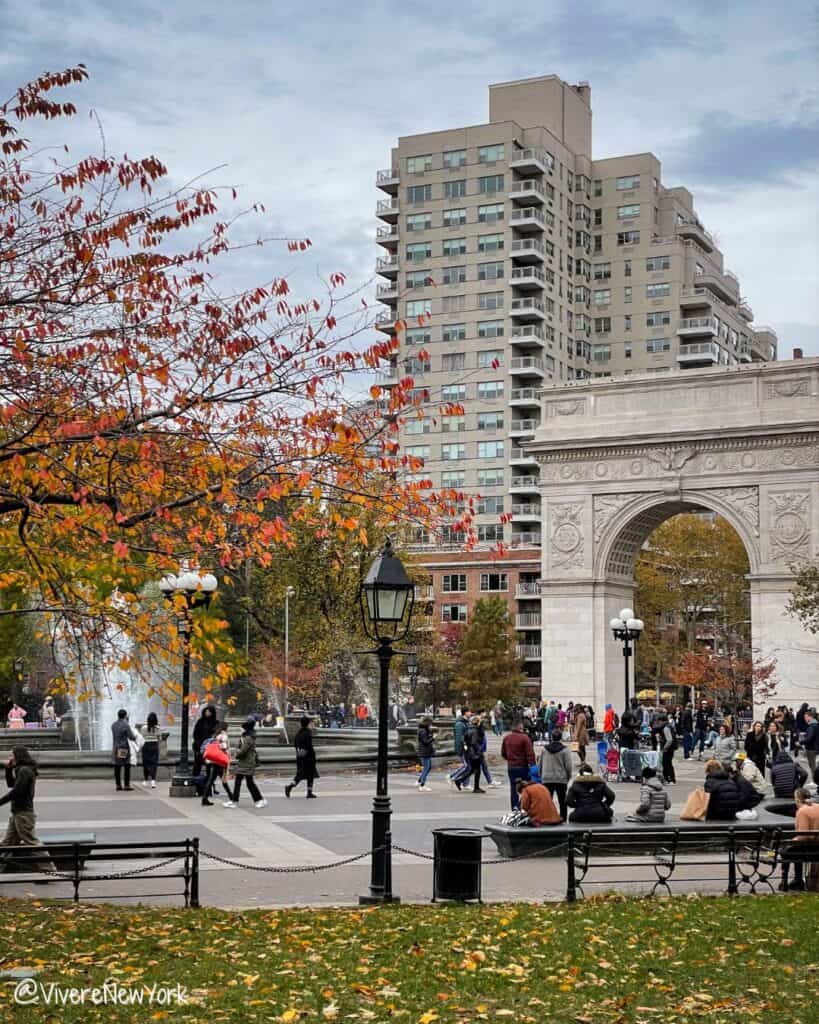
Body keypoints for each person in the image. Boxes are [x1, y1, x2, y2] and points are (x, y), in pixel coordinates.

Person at [0, 747, 41, 849]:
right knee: (7, 844)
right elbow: (11, 784)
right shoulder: (22, 770)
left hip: (23, 814)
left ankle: (49, 865)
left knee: (32, 844)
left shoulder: (24, 771)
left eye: (12, 755)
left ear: (18, 756)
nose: (11, 757)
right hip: (18, 813)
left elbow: (17, 791)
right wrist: (8, 769)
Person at [780, 787, 819, 892]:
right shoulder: (817, 806)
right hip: (817, 846)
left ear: (797, 799)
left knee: (786, 851)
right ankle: (797, 880)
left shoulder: (802, 811)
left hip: (809, 848)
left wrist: (790, 842)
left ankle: (789, 881)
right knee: (794, 848)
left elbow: (803, 835)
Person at [225, 717, 266, 808]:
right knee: (240, 781)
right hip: (244, 763)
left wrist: (236, 753)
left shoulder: (248, 738)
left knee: (249, 783)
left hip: (247, 763)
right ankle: (234, 800)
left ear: (246, 728)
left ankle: (259, 800)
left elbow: (243, 751)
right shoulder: (246, 736)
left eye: (242, 727)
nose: (240, 729)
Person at [537, 728, 573, 821]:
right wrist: (568, 777)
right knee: (562, 801)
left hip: (547, 778)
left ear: (551, 738)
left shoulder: (544, 750)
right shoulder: (565, 750)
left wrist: (541, 776)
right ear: (561, 738)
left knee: (548, 801)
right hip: (561, 778)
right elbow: (568, 766)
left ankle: (547, 817)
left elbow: (539, 764)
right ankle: (563, 818)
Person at [500, 719, 535, 809]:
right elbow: (530, 753)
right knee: (527, 786)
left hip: (511, 767)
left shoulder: (506, 738)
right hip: (523, 766)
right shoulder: (525, 738)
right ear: (520, 727)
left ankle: (514, 807)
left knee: (513, 788)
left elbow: (503, 753)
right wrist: (532, 765)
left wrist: (510, 759)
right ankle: (523, 805)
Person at [285, 716, 318, 799]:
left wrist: (299, 753)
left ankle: (292, 787)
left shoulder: (298, 733)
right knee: (309, 774)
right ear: (308, 723)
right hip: (308, 757)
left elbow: (295, 745)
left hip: (300, 756)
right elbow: (309, 746)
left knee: (301, 774)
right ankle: (307, 791)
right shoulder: (308, 733)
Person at [201, 721, 232, 806]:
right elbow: (224, 747)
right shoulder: (223, 735)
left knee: (215, 779)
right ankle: (231, 797)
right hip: (220, 761)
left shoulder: (215, 735)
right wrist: (228, 754)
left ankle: (205, 798)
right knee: (221, 779)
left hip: (214, 760)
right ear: (225, 728)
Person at [111, 709, 137, 791]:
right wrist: (136, 737)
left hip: (115, 747)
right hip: (123, 748)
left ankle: (118, 785)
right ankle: (126, 785)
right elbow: (131, 737)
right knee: (126, 766)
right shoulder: (125, 725)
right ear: (125, 715)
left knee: (117, 767)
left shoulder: (113, 725)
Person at [192, 705, 217, 777]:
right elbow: (195, 733)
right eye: (206, 711)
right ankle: (195, 778)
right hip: (199, 745)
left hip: (210, 747)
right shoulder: (200, 721)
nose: (207, 713)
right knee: (197, 763)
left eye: (209, 712)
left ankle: (209, 781)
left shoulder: (215, 723)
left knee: (209, 764)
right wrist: (198, 742)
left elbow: (216, 734)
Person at [140, 711, 161, 789]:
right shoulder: (157, 728)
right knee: (154, 763)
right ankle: (153, 781)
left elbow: (141, 737)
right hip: (154, 746)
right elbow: (159, 739)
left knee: (145, 763)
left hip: (146, 746)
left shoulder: (144, 728)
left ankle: (145, 780)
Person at [416, 717, 434, 791]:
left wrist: (430, 735)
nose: (431, 725)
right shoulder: (423, 731)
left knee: (428, 767)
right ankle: (422, 785)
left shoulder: (423, 730)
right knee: (426, 768)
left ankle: (419, 781)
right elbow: (425, 741)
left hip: (425, 751)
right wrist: (433, 738)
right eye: (430, 724)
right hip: (425, 751)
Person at [659, 714, 678, 785]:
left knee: (666, 763)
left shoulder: (665, 728)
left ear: (662, 721)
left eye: (659, 721)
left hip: (668, 748)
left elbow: (669, 740)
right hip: (671, 748)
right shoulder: (670, 726)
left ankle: (669, 779)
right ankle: (669, 778)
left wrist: (664, 748)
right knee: (668, 763)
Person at [803, 709, 818, 777]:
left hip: (811, 748)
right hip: (815, 747)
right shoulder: (816, 724)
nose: (805, 719)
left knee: (812, 766)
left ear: (810, 717)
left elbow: (809, 738)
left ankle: (815, 781)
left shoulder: (812, 726)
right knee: (814, 765)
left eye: (805, 717)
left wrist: (800, 742)